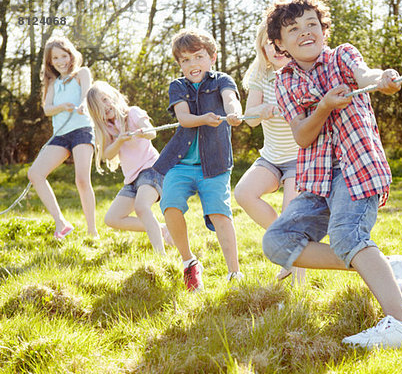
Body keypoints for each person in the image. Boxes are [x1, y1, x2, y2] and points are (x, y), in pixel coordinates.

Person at [262, 0, 402, 349]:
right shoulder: (285, 81)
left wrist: (381, 78)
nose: (306, 32)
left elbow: (364, 75)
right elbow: (302, 137)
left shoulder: (342, 56)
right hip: (317, 180)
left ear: (324, 29)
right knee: (276, 242)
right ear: (280, 44)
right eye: (293, 29)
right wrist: (322, 107)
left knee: (347, 236)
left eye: (312, 24)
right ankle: (386, 267)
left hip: (358, 168)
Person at [153, 29, 243, 291]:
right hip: (179, 163)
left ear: (212, 57)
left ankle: (234, 273)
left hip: (214, 164)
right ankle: (189, 262)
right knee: (170, 204)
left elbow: (230, 99)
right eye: (185, 60)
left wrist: (234, 113)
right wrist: (204, 118)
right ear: (179, 64)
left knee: (220, 214)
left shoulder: (222, 80)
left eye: (198, 57)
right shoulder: (178, 86)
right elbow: (183, 117)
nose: (193, 64)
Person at [234, 20, 306, 285]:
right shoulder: (260, 76)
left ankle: (300, 284)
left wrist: (289, 112)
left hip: (299, 159)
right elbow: (250, 118)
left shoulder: (301, 72)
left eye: (280, 44)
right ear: (262, 48)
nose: (276, 49)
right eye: (270, 44)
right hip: (271, 158)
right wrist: (259, 111)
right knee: (243, 193)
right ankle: (284, 244)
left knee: (292, 215)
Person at [86, 81, 173, 255]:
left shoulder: (132, 113)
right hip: (132, 180)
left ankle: (160, 256)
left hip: (152, 170)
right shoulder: (107, 128)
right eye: (99, 106)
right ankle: (162, 229)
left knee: (142, 207)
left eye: (105, 99)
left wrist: (142, 131)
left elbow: (152, 132)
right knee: (112, 218)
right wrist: (119, 140)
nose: (105, 106)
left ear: (112, 97)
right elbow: (107, 155)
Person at [27, 36, 98, 239]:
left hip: (82, 130)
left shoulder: (81, 73)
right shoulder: (52, 82)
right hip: (60, 135)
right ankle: (61, 222)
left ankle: (92, 231)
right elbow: (47, 109)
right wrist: (62, 107)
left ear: (71, 54)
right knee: (35, 173)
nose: (60, 61)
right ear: (50, 62)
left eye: (63, 56)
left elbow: (87, 94)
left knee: (82, 180)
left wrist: (84, 105)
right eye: (55, 58)